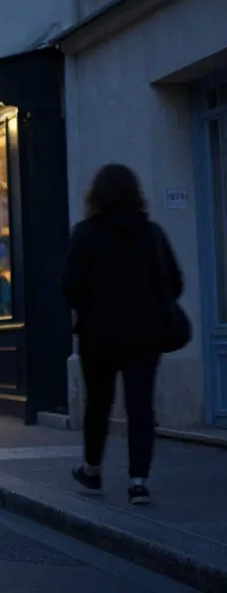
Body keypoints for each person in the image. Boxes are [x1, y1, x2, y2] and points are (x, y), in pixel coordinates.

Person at [62, 163, 184, 506]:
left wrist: (90, 304)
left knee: (98, 404)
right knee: (140, 406)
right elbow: (174, 281)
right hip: (145, 334)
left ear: (96, 196)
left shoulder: (84, 234)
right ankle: (138, 482)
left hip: (98, 335)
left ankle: (93, 467)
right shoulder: (152, 233)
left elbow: (70, 286)